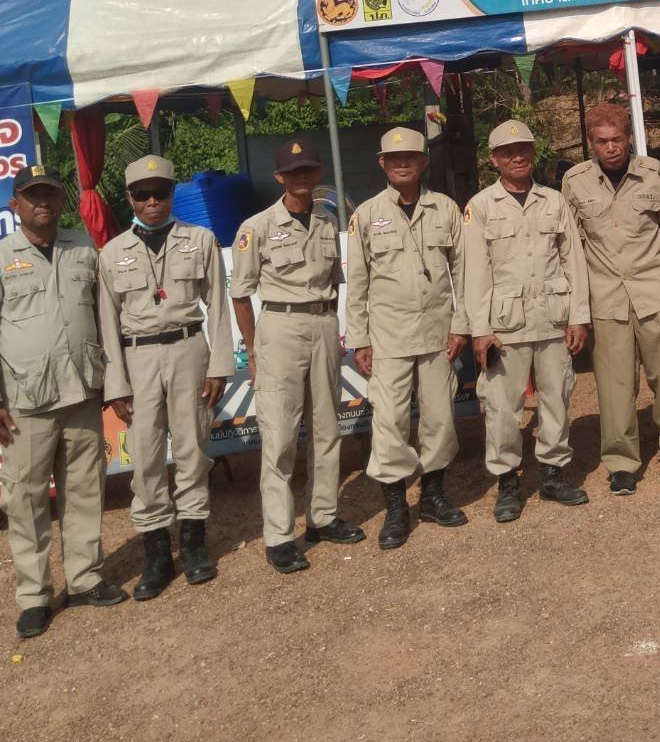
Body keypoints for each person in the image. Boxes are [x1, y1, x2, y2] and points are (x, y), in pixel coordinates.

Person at [0, 165, 126, 637]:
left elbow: (104, 319)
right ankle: (34, 596)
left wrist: (113, 382)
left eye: (50, 194)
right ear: (15, 204)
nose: (43, 203)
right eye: (32, 196)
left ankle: (85, 578)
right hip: (25, 400)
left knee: (85, 490)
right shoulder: (2, 256)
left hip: (80, 391)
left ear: (60, 200)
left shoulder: (82, 249)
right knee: (26, 499)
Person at [98, 155, 232, 597]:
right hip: (137, 359)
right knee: (146, 456)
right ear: (130, 198)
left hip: (188, 349)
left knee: (193, 448)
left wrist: (218, 366)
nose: (152, 202)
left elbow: (218, 306)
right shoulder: (112, 253)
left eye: (160, 192)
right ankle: (157, 553)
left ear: (172, 193)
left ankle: (193, 545)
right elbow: (106, 324)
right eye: (143, 194)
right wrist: (116, 385)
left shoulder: (201, 239)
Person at [231, 138, 364, 573]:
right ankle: (279, 535)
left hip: (322, 323)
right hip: (280, 326)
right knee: (280, 436)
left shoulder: (327, 222)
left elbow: (335, 282)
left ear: (318, 173)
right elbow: (240, 294)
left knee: (327, 428)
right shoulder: (257, 227)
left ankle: (322, 517)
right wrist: (254, 350)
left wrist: (332, 325)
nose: (302, 177)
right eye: (293, 171)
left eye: (308, 169)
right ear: (279, 177)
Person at [345, 127, 469, 550]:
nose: (402, 164)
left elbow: (463, 272)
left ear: (423, 162)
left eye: (411, 157)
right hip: (388, 338)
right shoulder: (366, 215)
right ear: (382, 164)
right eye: (394, 158)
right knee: (390, 422)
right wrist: (360, 339)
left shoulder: (445, 208)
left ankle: (433, 496)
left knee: (439, 418)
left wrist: (460, 325)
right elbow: (357, 283)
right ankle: (396, 507)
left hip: (437, 334)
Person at [562, 103, 660, 494]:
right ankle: (622, 462)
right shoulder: (575, 181)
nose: (611, 148)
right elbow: (571, 249)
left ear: (629, 138)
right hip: (606, 300)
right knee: (615, 387)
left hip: (656, 293)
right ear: (591, 143)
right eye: (602, 141)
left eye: (617, 139)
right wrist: (577, 308)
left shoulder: (652, 172)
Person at [463, 118, 590, 521]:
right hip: (505, 326)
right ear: (493, 159)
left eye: (523, 150)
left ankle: (552, 475)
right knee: (502, 407)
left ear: (533, 154)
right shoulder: (480, 207)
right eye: (507, 152)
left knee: (557, 397)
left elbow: (573, 261)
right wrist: (480, 331)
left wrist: (579, 317)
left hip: (553, 318)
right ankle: (508, 482)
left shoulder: (554, 201)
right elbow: (475, 273)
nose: (517, 157)